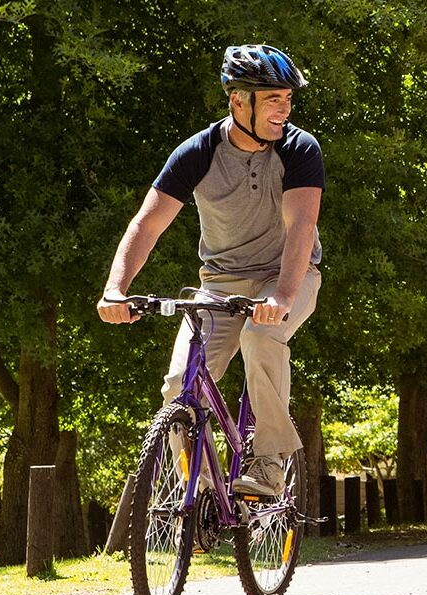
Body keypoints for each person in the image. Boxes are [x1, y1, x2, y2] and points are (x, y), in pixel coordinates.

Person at [97, 44, 324, 496]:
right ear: (238, 100)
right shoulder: (198, 153)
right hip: (220, 283)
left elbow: (301, 226)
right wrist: (116, 289)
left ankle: (269, 461)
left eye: (288, 99)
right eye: (273, 99)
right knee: (180, 387)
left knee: (261, 336)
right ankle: (198, 494)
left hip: (288, 276)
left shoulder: (299, 149)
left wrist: (281, 295)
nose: (285, 109)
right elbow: (148, 223)